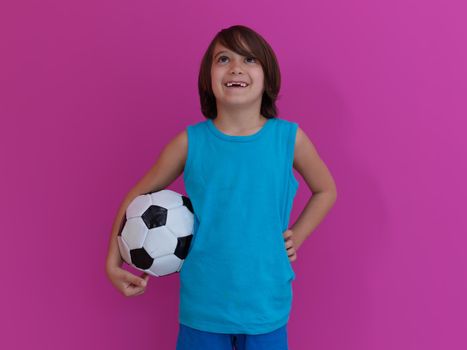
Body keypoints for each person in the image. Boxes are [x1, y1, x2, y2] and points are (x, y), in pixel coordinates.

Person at [105, 24, 337, 350]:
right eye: (223, 59)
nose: (236, 68)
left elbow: (326, 189)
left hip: (265, 306)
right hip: (203, 309)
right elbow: (136, 196)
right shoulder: (190, 142)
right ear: (208, 79)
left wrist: (298, 234)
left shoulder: (288, 139)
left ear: (268, 76)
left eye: (249, 59)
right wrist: (113, 261)